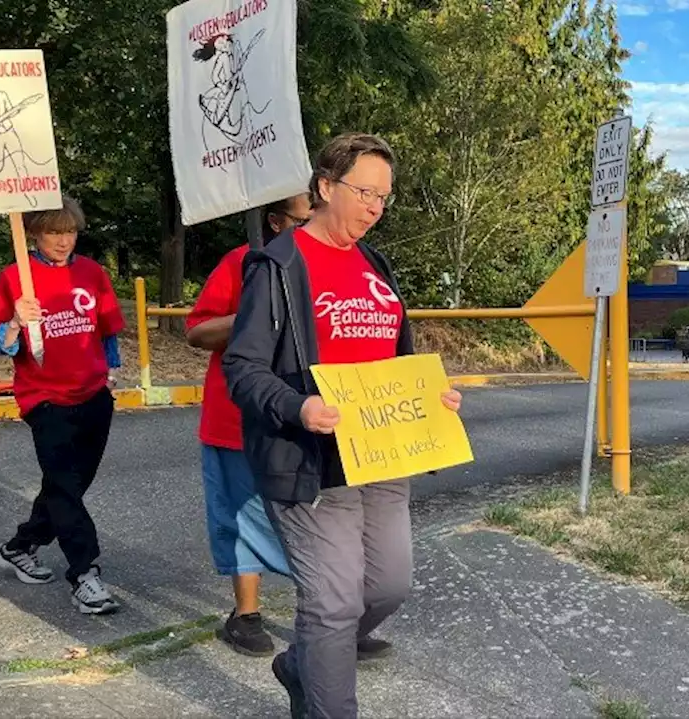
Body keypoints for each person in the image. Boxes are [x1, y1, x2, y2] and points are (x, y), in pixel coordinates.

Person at [223, 133, 463, 719]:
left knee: (386, 588)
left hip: (382, 452)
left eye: (384, 196)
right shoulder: (278, 265)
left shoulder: (376, 264)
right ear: (326, 187)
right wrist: (298, 407)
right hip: (310, 461)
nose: (376, 206)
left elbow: (397, 358)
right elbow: (242, 366)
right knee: (331, 605)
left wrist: (432, 398)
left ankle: (301, 664)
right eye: (365, 191)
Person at [0, 196, 127, 615]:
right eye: (53, 232)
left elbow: (107, 329)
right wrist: (14, 322)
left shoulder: (91, 272)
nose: (63, 241)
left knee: (70, 485)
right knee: (64, 485)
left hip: (94, 394)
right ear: (34, 233)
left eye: (69, 231)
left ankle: (19, 546)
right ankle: (85, 574)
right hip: (44, 398)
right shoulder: (14, 278)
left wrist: (111, 372)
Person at [185, 193, 311, 656]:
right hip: (234, 417)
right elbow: (197, 331)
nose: (312, 223)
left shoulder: (330, 265)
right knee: (239, 513)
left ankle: (329, 619)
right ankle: (245, 615)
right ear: (275, 222)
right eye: (303, 218)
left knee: (313, 519)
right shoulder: (241, 262)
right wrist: (254, 318)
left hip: (306, 418)